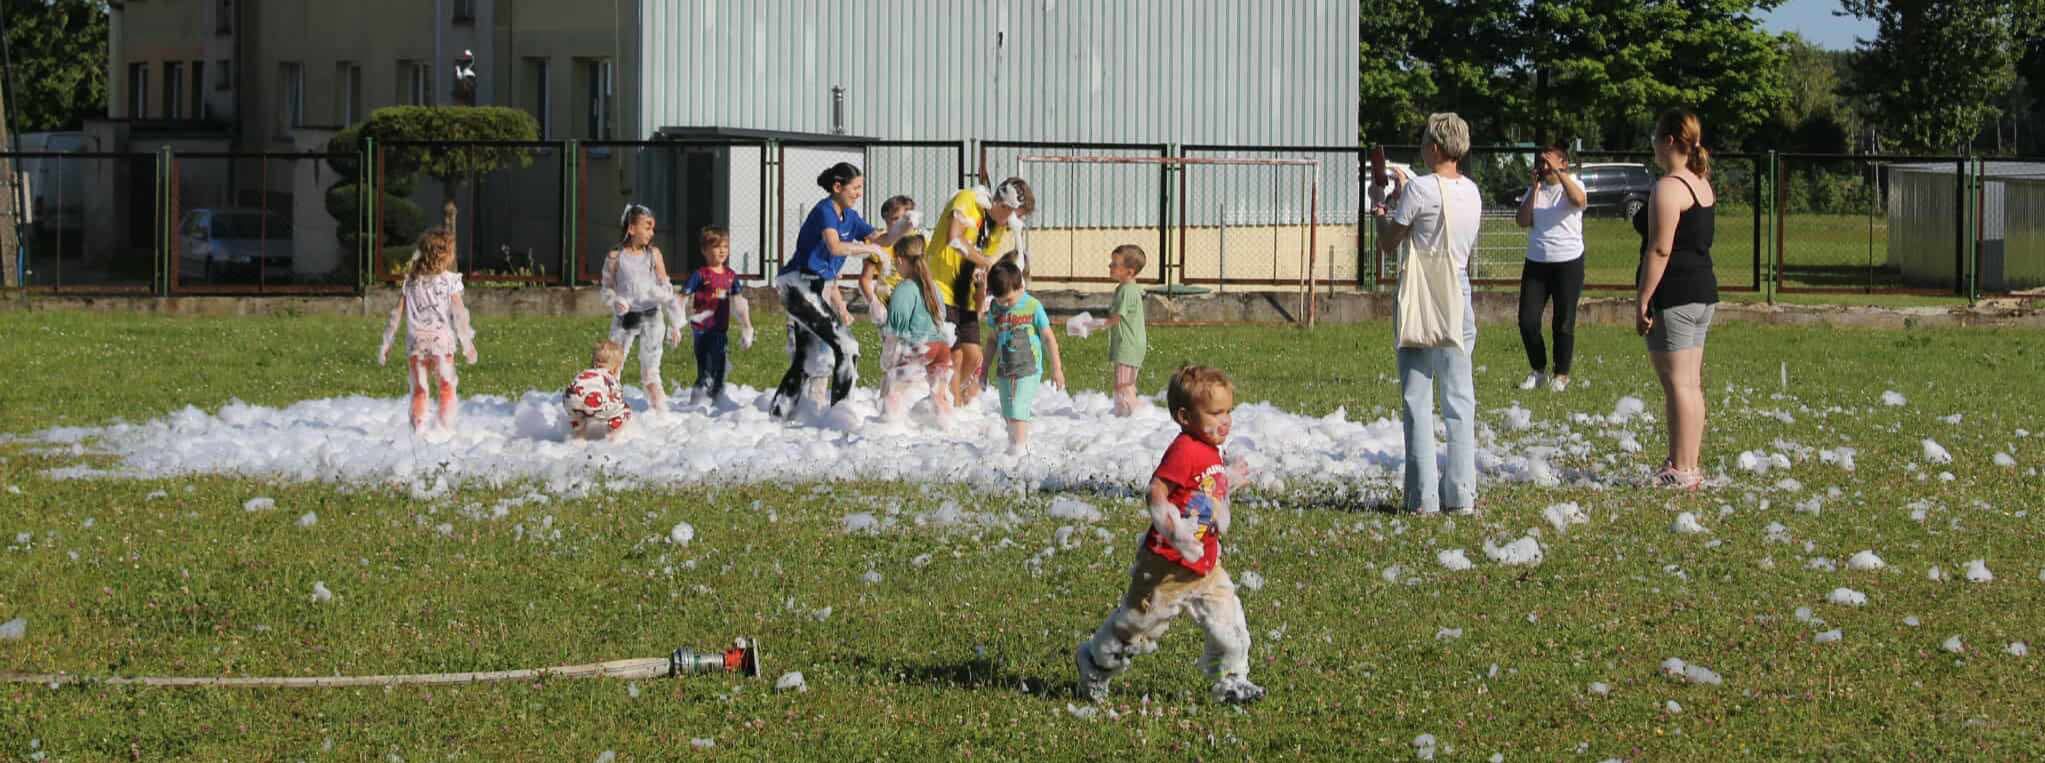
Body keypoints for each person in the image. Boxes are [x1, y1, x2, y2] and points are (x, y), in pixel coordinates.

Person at [1075, 365, 1263, 706]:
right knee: (1135, 630)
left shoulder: (1209, 447)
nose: (1226, 420)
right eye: (1216, 412)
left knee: (1231, 627)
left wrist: (1229, 479)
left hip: (1205, 564)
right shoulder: (1186, 449)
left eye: (1229, 411)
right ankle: (1095, 662)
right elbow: (1156, 491)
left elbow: (1204, 490)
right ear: (1185, 416)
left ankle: (1230, 681)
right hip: (1166, 566)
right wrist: (1172, 526)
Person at [1373, 112, 1481, 515]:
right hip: (1458, 292)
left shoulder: (1419, 188)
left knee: (1418, 396)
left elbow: (1389, 241)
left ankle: (1423, 498)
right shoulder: (1472, 191)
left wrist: (1381, 204)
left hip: (1421, 296)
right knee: (1459, 397)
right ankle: (1462, 494)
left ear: (1435, 147)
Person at [766, 162, 911, 418]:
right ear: (837, 187)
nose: (859, 193)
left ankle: (778, 414)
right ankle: (839, 416)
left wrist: (904, 227)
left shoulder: (851, 217)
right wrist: (870, 250)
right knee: (847, 346)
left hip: (814, 286)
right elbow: (835, 246)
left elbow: (883, 239)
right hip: (796, 284)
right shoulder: (825, 211)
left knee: (806, 357)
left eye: (860, 188)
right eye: (855, 187)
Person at [1635, 109, 1719, 491]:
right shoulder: (1701, 183)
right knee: (1689, 383)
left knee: (1678, 385)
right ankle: (1684, 462)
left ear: (1669, 140)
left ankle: (1683, 469)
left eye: (1655, 135)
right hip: (1703, 293)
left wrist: (1643, 298)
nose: (1652, 143)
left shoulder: (1669, 187)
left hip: (1677, 295)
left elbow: (1660, 249)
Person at [925, 178, 1035, 408]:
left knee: (974, 356)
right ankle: (950, 404)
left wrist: (983, 292)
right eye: (1017, 214)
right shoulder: (969, 200)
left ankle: (951, 396)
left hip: (963, 294)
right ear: (1005, 205)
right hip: (939, 285)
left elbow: (982, 264)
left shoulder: (999, 228)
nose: (1017, 221)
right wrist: (986, 262)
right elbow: (954, 238)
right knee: (953, 354)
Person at [377, 228, 478, 434]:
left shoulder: (411, 280)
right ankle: (445, 429)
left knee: (419, 390)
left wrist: (386, 344)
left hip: (417, 344)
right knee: (446, 386)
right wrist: (468, 344)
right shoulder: (450, 281)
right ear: (446, 254)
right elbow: (460, 315)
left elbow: (395, 315)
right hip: (442, 343)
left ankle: (419, 431)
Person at [1513, 141, 1588, 392]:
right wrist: (1534, 189)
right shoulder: (1536, 189)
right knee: (1527, 320)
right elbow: (1522, 221)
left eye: (1549, 161)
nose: (1543, 167)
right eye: (1541, 162)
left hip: (1568, 262)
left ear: (1563, 163)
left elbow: (1578, 200)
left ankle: (1561, 375)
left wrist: (1560, 174)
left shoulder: (1574, 183)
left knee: (1563, 321)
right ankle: (1538, 370)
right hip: (1537, 263)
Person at [601, 204, 685, 413]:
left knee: (651, 372)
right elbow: (606, 289)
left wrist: (675, 323)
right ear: (631, 229)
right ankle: (608, 411)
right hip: (625, 318)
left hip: (651, 317)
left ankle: (661, 415)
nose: (652, 233)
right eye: (647, 227)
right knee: (612, 366)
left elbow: (666, 288)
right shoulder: (615, 257)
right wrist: (616, 301)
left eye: (653, 228)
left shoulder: (653, 255)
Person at [981, 261, 1064, 456]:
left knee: (1018, 407)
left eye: (1008, 300)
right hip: (1004, 369)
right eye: (1000, 300)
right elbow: (992, 339)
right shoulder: (995, 308)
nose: (1004, 305)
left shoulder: (1033, 306)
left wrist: (1057, 368)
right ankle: (1014, 446)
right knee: (1008, 411)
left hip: (1028, 368)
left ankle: (1020, 451)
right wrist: (984, 368)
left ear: (1020, 287)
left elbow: (1048, 338)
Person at [877, 235, 954, 425]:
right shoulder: (933, 286)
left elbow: (895, 329)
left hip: (919, 347)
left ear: (900, 260)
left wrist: (887, 359)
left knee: (892, 392)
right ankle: (949, 430)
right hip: (942, 349)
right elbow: (942, 316)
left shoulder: (904, 288)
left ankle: (888, 432)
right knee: (939, 397)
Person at [682, 226, 740, 406]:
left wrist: (747, 326)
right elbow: (682, 297)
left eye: (725, 246)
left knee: (720, 369)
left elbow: (739, 301)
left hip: (720, 330)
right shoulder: (700, 275)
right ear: (704, 250)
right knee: (706, 370)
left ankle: (716, 403)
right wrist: (676, 322)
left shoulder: (731, 276)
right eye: (716, 246)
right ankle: (697, 403)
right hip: (701, 331)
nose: (722, 250)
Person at [563, 340, 631, 440]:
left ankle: (579, 437)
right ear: (615, 369)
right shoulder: (610, 378)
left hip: (571, 400)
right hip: (596, 402)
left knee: (578, 415)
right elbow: (617, 396)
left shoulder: (586, 374)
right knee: (623, 409)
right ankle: (613, 437)